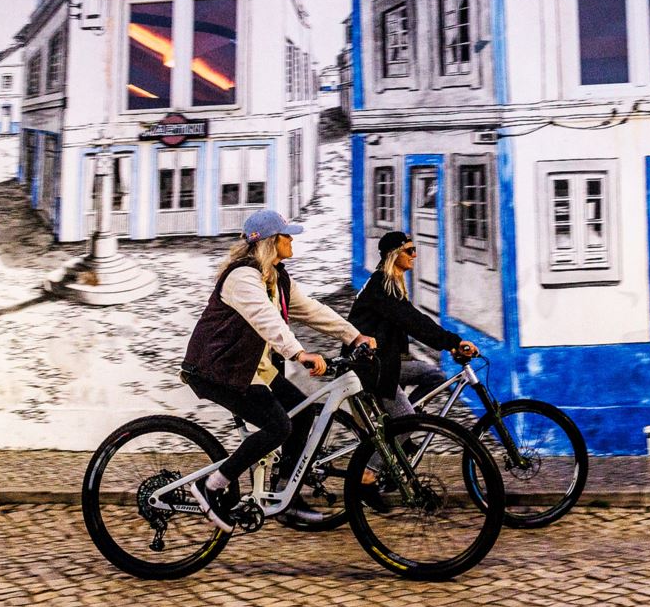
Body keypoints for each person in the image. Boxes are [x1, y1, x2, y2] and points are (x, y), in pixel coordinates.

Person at [181, 209, 375, 533]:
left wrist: (352, 335)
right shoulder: (241, 277)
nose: (291, 240)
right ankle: (210, 486)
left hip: (255, 370)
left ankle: (287, 495)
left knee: (303, 413)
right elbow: (265, 319)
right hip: (219, 370)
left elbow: (313, 310)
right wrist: (298, 353)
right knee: (278, 426)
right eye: (286, 235)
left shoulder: (277, 277)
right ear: (271, 241)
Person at [348, 231, 477, 419]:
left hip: (385, 362)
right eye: (409, 251)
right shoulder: (382, 284)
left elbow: (410, 320)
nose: (414, 255)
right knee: (406, 421)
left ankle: (405, 427)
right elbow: (414, 322)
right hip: (370, 368)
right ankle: (405, 426)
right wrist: (453, 342)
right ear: (393, 254)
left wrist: (450, 343)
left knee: (434, 376)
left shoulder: (389, 283)